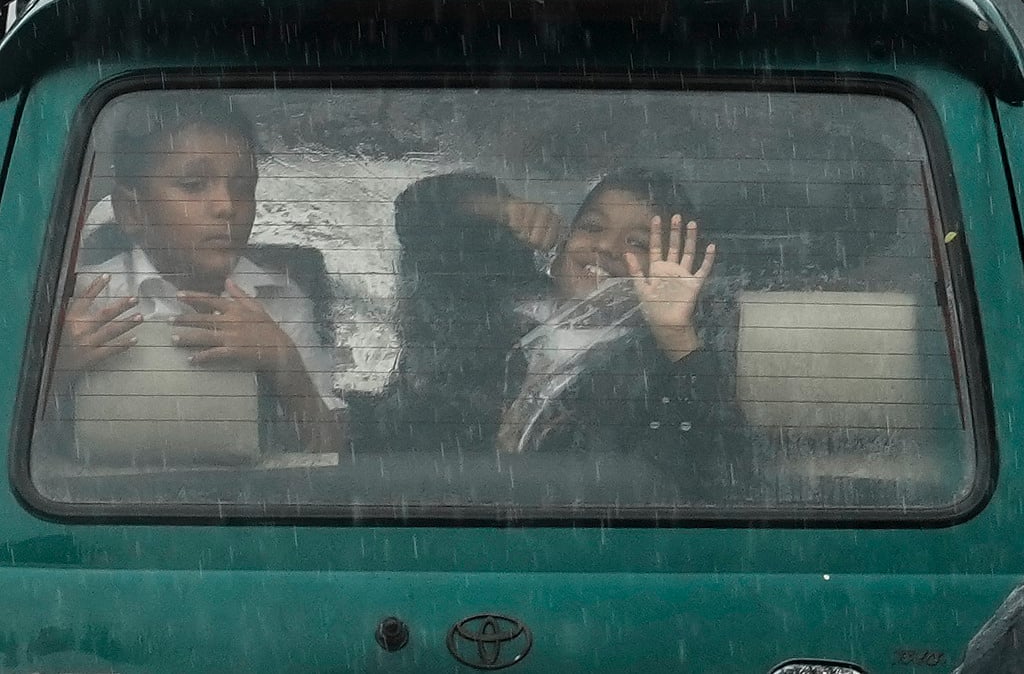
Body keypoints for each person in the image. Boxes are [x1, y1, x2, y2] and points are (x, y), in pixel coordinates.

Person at [370, 170, 744, 478]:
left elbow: (717, 467)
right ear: (565, 238)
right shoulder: (493, 298)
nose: (607, 247)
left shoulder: (656, 360)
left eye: (639, 243)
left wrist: (675, 335)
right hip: (421, 505)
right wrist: (503, 209)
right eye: (593, 226)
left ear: (673, 266)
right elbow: (415, 215)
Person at [50, 94, 344, 456]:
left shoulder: (278, 299)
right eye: (193, 185)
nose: (226, 206)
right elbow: (28, 450)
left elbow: (332, 455)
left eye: (242, 187)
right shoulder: (85, 300)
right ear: (131, 210)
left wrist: (282, 360)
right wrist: (56, 369)